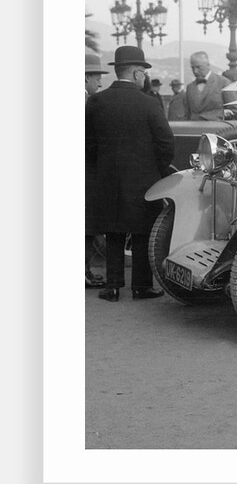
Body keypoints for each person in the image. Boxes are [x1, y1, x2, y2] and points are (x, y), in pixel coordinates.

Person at [85, 45, 175, 302]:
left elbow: (88, 143)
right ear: (136, 73)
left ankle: (112, 287)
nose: (145, 76)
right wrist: (156, 170)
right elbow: (166, 143)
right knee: (142, 232)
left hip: (107, 178)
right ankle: (141, 287)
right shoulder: (149, 103)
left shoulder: (96, 101)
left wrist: (100, 167)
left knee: (113, 231)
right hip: (143, 180)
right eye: (144, 72)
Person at [85, 49, 108, 288]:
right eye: (96, 76)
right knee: (87, 225)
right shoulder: (87, 104)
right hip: (86, 172)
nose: (100, 81)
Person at [184, 51, 237, 120]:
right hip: (194, 129)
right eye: (192, 68)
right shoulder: (190, 87)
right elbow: (187, 113)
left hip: (217, 129)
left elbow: (234, 111)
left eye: (198, 67)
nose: (195, 71)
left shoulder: (224, 83)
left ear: (208, 65)